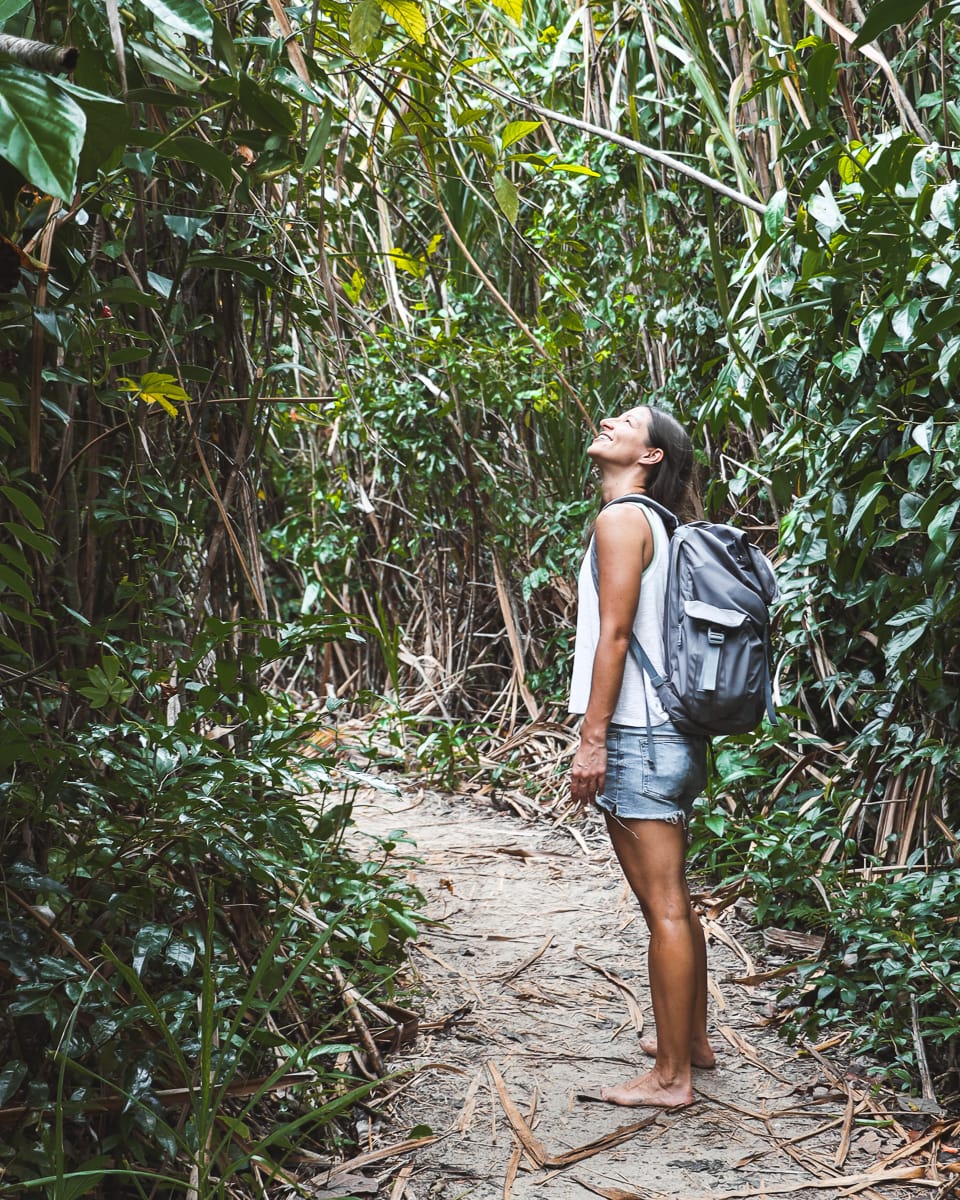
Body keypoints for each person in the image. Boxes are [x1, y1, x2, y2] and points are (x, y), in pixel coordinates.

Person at [569, 403, 715, 1109]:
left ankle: (671, 1079)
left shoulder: (622, 520)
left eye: (625, 422)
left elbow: (616, 637)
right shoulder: (661, 525)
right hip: (675, 735)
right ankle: (691, 1041)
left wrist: (593, 738)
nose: (607, 422)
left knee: (662, 907)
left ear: (649, 456)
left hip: (641, 735)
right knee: (674, 903)